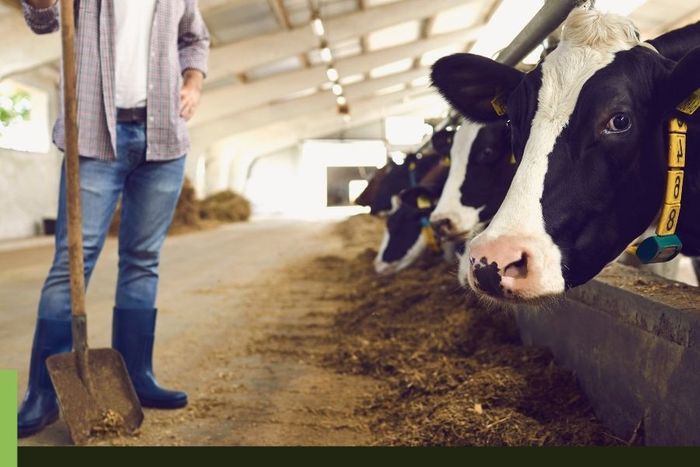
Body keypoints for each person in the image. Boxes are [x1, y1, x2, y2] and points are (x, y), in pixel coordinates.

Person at [18, 0, 210, 437]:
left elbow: (195, 38)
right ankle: (42, 394)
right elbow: (43, 20)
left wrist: (193, 82)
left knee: (143, 258)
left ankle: (137, 376)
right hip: (94, 133)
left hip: (163, 136)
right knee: (72, 263)